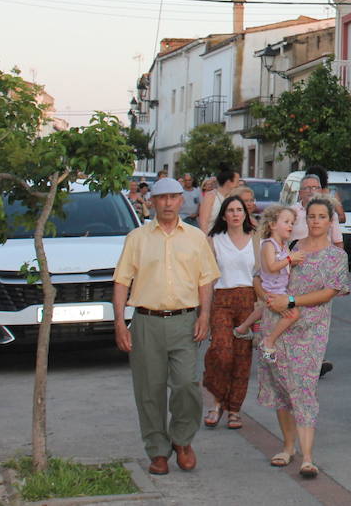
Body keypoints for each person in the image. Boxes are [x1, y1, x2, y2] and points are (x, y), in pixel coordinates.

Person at [111, 177, 220, 476]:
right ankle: (158, 451)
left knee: (186, 384)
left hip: (184, 321)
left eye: (174, 197)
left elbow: (205, 280)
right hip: (146, 321)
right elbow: (122, 281)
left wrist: (204, 316)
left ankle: (182, 440)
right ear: (152, 202)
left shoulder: (195, 237)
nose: (168, 203)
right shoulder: (137, 238)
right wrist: (120, 322)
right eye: (162, 198)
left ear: (182, 200)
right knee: (149, 390)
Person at [255, 195, 349, 480]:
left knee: (304, 386)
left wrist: (292, 300)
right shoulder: (291, 247)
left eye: (322, 216)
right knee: (281, 384)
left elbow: (330, 291)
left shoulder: (337, 256)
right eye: (311, 216)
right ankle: (287, 446)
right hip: (279, 323)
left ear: (330, 220)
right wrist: (270, 299)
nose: (316, 221)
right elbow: (260, 277)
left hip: (311, 329)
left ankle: (307, 457)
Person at [202, 195, 257, 430]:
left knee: (242, 358)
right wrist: (203, 311)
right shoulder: (215, 240)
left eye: (239, 210)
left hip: (248, 301)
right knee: (221, 353)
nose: (235, 214)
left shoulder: (256, 239)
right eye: (231, 210)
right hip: (222, 299)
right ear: (223, 215)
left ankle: (234, 409)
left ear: (245, 213)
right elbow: (205, 276)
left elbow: (263, 274)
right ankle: (216, 402)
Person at [233, 205, 305, 362]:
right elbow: (271, 267)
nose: (290, 226)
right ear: (273, 225)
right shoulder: (268, 245)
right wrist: (290, 259)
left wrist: (292, 262)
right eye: (286, 222)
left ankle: (243, 327)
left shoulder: (283, 246)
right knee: (293, 314)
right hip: (272, 288)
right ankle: (268, 340)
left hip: (279, 288)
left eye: (292, 223)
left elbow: (283, 267)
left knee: (263, 309)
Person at [197, 167, 240, 235]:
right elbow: (203, 222)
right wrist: (207, 240)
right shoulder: (210, 196)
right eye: (237, 182)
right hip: (211, 237)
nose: (238, 185)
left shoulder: (233, 197)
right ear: (229, 182)